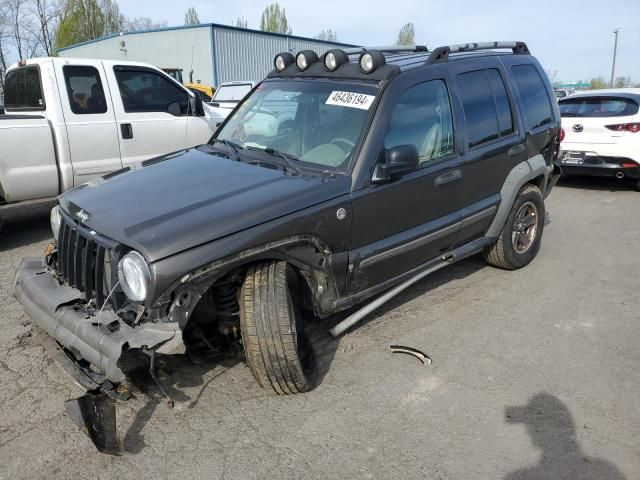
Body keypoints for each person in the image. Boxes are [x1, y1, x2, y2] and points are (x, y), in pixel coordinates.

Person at [504, 393, 626, 480]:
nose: (530, 431)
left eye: (537, 425)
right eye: (532, 425)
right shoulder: (604, 470)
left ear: (561, 428)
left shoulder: (601, 473)